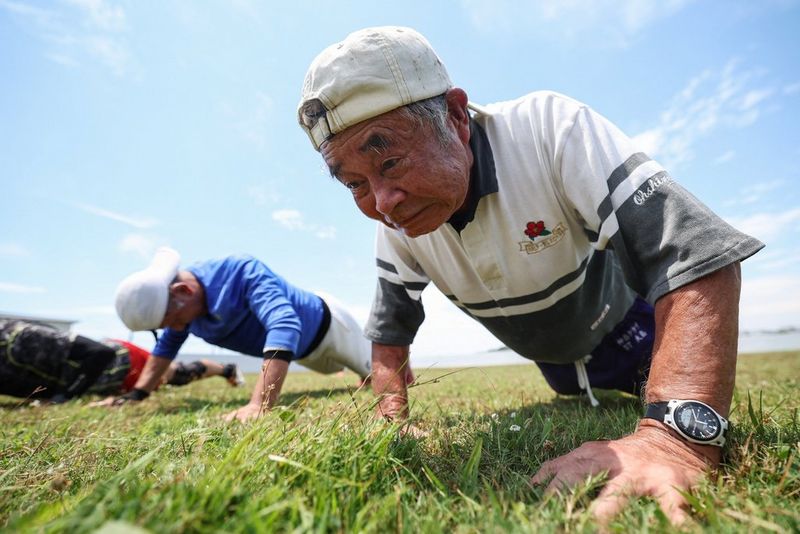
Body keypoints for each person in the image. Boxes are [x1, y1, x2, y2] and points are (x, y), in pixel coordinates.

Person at [296, 26, 764, 524]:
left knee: (663, 390)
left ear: (455, 117)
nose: (383, 203)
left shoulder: (549, 129)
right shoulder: (397, 227)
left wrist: (676, 437)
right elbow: (389, 337)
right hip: (555, 364)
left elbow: (692, 253)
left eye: (389, 160)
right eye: (354, 185)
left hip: (633, 332)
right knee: (571, 392)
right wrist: (393, 422)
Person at [108, 247, 380, 422]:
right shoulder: (183, 312)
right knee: (331, 372)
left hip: (331, 327)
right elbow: (164, 350)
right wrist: (136, 396)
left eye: (174, 320)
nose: (176, 328)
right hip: (305, 354)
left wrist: (260, 404)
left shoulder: (240, 271)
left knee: (374, 375)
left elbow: (285, 324)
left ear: (183, 291)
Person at [0, 318, 242, 403]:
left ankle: (225, 369)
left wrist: (65, 396)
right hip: (101, 379)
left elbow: (99, 353)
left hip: (122, 362)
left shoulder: (20, 336)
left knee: (178, 375)